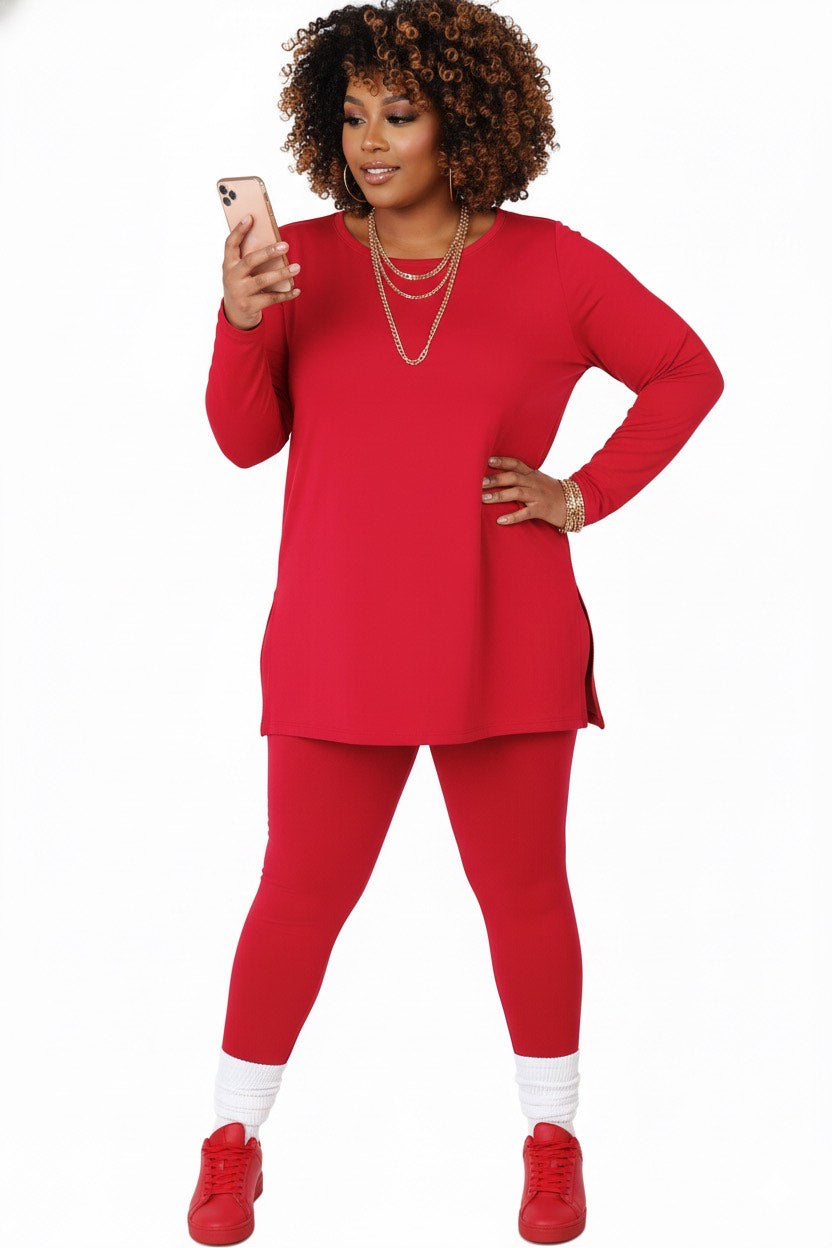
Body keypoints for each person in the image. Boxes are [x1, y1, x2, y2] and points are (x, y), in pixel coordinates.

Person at [187, 1, 725, 1242]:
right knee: (295, 898)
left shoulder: (553, 265)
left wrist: (580, 493)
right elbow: (243, 442)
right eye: (352, 115)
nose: (371, 141)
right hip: (335, 636)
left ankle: (552, 1140)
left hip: (505, 630)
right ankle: (231, 1140)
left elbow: (685, 371)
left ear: (466, 121)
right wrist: (243, 317)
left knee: (524, 896)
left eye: (402, 112)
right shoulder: (294, 262)